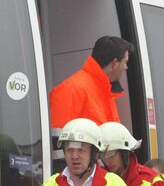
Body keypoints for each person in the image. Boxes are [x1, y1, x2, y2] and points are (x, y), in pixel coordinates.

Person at [48, 36, 134, 169]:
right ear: (115, 63)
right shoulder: (72, 89)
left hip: (97, 178)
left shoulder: (105, 92)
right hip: (81, 181)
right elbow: (59, 149)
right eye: (125, 62)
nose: (126, 67)